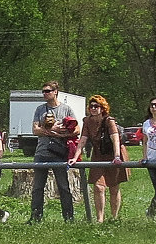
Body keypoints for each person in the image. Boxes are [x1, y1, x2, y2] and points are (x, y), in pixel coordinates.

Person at [69, 95, 126, 222]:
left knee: (114, 187)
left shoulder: (109, 121)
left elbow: (115, 139)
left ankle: (114, 218)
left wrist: (117, 156)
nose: (93, 109)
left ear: (103, 108)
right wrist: (75, 157)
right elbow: (82, 140)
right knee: (98, 187)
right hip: (98, 154)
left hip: (113, 153)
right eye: (91, 106)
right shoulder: (87, 121)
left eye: (96, 106)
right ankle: (100, 219)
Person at [29, 81, 77, 223]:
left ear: (56, 91)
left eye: (48, 91)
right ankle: (36, 217)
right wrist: (53, 130)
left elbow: (77, 129)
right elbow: (35, 130)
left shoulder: (66, 109)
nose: (45, 94)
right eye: (43, 91)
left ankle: (69, 218)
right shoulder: (40, 109)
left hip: (59, 153)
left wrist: (60, 134)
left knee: (63, 187)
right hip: (41, 152)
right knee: (38, 187)